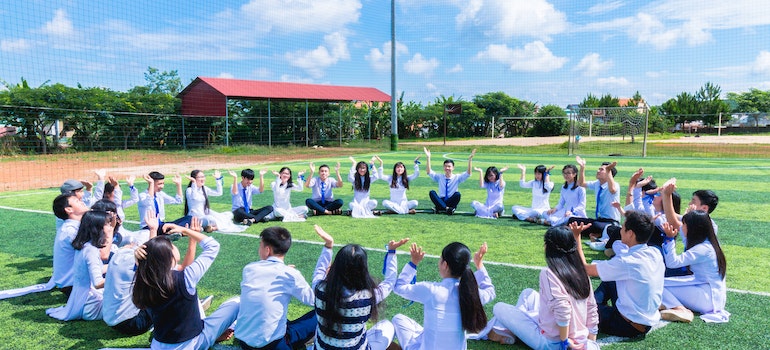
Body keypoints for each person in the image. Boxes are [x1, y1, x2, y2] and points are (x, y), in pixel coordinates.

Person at [132, 220, 240, 349]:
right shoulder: (186, 277)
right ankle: (230, 332)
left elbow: (151, 259)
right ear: (169, 255)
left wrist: (139, 253)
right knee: (238, 302)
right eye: (171, 245)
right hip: (193, 344)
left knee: (190, 296)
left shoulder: (144, 278)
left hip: (159, 345)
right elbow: (213, 246)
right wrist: (186, 231)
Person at [488, 226, 599, 349]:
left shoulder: (548, 273)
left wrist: (565, 342)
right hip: (577, 338)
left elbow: (562, 309)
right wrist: (590, 341)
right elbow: (591, 308)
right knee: (528, 293)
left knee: (499, 307)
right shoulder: (581, 272)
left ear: (549, 247)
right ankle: (513, 332)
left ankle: (511, 333)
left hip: (552, 342)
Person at [569, 210, 665, 338]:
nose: (620, 230)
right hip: (644, 320)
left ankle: (589, 307)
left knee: (577, 310)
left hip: (628, 325)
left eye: (623, 228)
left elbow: (585, 269)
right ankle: (593, 305)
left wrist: (576, 236)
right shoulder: (655, 252)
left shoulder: (627, 262)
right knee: (610, 279)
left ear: (630, 234)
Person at [234, 226, 331, 350]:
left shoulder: (249, 269)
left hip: (244, 342)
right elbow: (315, 301)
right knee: (322, 313)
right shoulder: (290, 275)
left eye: (260, 245)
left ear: (267, 250)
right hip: (273, 345)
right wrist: (328, 246)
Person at [312, 227, 409, 350]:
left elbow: (319, 272)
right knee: (388, 326)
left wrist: (328, 245)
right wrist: (391, 252)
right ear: (362, 270)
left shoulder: (320, 289)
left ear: (336, 266)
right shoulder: (369, 296)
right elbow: (390, 282)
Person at [392, 241, 495, 350]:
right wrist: (479, 265)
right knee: (423, 332)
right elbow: (490, 291)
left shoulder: (431, 290)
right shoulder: (471, 295)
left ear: (445, 265)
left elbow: (399, 287)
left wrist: (413, 263)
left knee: (398, 319)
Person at [658, 182, 729, 323]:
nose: (681, 228)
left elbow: (673, 263)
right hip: (706, 289)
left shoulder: (703, 247)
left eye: (684, 225)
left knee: (657, 284)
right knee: (660, 282)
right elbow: (675, 218)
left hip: (707, 297)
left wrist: (669, 239)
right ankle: (669, 304)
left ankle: (679, 309)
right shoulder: (704, 235)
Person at [47, 210, 116, 321]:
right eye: (107, 224)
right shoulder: (91, 251)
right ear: (97, 228)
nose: (109, 227)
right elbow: (98, 283)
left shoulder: (85, 246)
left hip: (82, 300)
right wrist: (119, 277)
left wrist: (118, 266)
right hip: (91, 306)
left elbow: (94, 270)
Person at [567, 156, 621, 238]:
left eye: (601, 170)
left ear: (609, 173)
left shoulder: (614, 185)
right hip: (600, 220)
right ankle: (596, 234)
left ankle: (596, 233)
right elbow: (581, 183)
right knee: (572, 220)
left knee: (596, 225)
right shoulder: (597, 183)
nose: (598, 171)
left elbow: (612, 190)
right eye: (599, 169)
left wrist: (608, 170)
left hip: (611, 222)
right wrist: (582, 167)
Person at [184, 169, 246, 233]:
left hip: (205, 213)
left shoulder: (204, 188)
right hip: (196, 217)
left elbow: (219, 193)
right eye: (200, 177)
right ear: (193, 179)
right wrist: (194, 183)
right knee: (211, 219)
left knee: (229, 214)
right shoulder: (189, 190)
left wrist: (218, 179)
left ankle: (211, 227)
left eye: (203, 176)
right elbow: (196, 198)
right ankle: (213, 228)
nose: (203, 179)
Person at [52, 192, 89, 296]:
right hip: (74, 286)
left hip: (71, 283)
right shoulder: (72, 231)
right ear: (69, 209)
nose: (82, 202)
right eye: (77, 201)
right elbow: (98, 255)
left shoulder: (72, 227)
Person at [424, 147, 476, 215]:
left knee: (457, 194)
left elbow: (468, 173)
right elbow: (429, 172)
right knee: (432, 192)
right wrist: (428, 158)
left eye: (449, 166)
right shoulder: (440, 177)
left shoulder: (457, 177)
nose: (447, 168)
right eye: (445, 166)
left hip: (451, 201)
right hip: (441, 200)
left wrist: (470, 159)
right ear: (443, 167)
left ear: (453, 168)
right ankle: (447, 209)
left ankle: (440, 207)